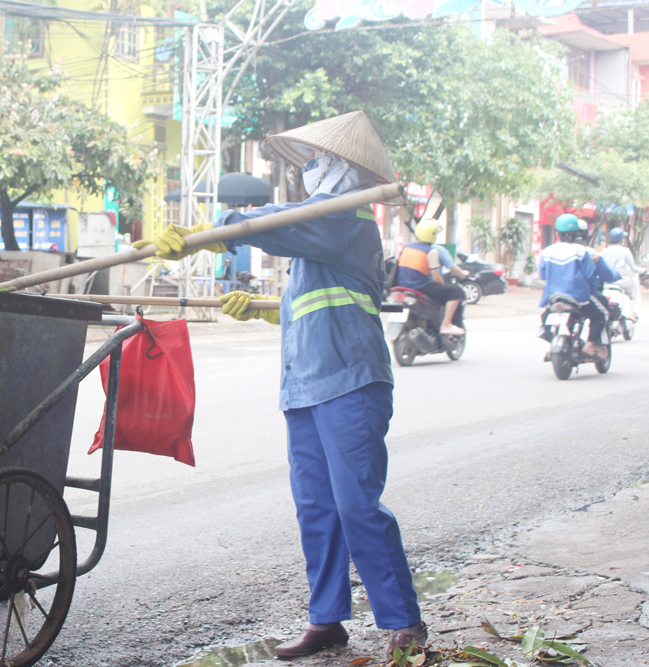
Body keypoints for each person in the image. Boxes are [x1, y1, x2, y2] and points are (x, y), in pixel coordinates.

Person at [141, 111, 426, 661]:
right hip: (305, 385)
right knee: (316, 507)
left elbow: (284, 225)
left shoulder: (345, 221)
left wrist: (211, 234)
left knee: (357, 507)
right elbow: (316, 302)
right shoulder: (323, 234)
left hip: (350, 382)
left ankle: (404, 621)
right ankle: (327, 620)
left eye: (322, 162)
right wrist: (268, 310)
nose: (312, 170)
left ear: (346, 172)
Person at [539, 214, 609, 359]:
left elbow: (543, 275)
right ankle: (589, 346)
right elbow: (588, 274)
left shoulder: (548, 251)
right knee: (601, 315)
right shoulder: (581, 251)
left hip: (553, 296)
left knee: (546, 315)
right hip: (578, 296)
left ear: (557, 232)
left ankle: (552, 340)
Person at [394, 219, 465, 335]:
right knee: (456, 291)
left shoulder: (407, 247)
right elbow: (436, 279)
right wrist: (441, 282)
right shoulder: (431, 252)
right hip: (419, 288)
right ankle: (446, 324)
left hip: (401, 287)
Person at [599, 227, 644, 313]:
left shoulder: (603, 251)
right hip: (622, 281)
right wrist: (643, 271)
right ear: (620, 240)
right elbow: (634, 268)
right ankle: (631, 315)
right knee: (632, 296)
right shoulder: (625, 251)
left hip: (606, 282)